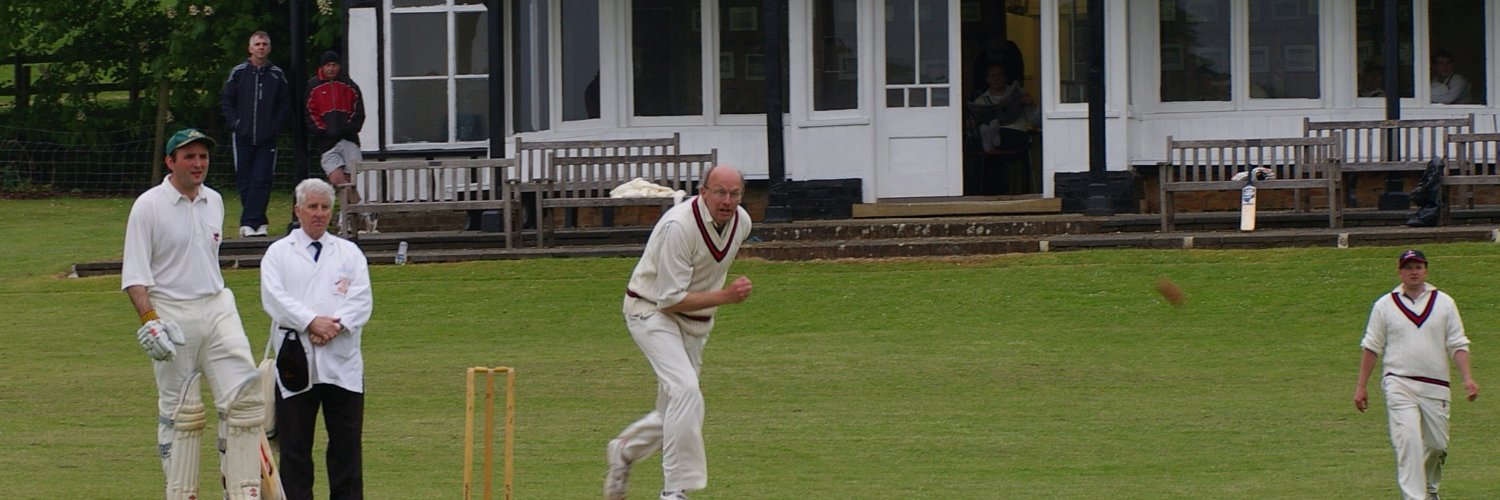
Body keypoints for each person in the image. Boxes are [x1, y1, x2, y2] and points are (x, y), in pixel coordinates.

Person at [122, 128, 270, 499]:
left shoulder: (215, 201)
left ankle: (241, 492)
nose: (198, 163)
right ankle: (181, 493)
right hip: (172, 314)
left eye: (203, 156)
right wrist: (150, 321)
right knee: (182, 415)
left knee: (245, 403)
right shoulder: (148, 206)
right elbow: (135, 276)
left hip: (218, 306)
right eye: (189, 157)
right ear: (170, 162)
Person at [604, 166, 755, 500]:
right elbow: (668, 299)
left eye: (734, 194)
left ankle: (625, 450)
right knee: (687, 391)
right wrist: (726, 297)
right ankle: (675, 491)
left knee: (674, 410)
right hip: (650, 311)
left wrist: (715, 299)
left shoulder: (742, 223)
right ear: (703, 192)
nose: (727, 201)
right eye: (719, 192)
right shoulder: (678, 226)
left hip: (695, 323)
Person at [261, 178, 374, 500]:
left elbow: (362, 300)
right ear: (298, 210)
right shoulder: (278, 253)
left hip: (342, 363)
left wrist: (333, 327)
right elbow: (274, 298)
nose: (319, 214)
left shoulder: (349, 253)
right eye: (312, 207)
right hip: (296, 363)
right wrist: (311, 321)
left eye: (325, 207)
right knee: (295, 450)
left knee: (347, 448)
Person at [1353, 249, 1479, 500]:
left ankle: (1429, 489)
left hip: (1437, 385)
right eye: (1408, 267)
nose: (1414, 272)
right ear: (1400, 272)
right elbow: (1372, 345)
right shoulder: (1385, 305)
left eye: (1418, 267)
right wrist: (1361, 386)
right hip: (1399, 382)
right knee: (1408, 441)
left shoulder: (1444, 302)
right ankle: (1414, 497)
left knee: (1437, 445)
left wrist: (1468, 378)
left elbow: (1457, 343)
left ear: (1426, 270)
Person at [221, 30, 291, 238]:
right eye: (257, 44)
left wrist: (274, 126)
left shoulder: (277, 74)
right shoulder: (239, 72)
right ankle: (254, 221)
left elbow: (284, 104)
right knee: (245, 179)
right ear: (250, 48)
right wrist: (236, 123)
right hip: (242, 136)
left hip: (267, 137)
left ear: (269, 48)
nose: (261, 47)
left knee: (262, 178)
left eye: (264, 44)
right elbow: (226, 100)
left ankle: (252, 221)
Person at [305, 50, 373, 234]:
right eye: (328, 65)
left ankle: (346, 221)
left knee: (349, 182)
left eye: (334, 65)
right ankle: (365, 215)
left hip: (349, 139)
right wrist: (323, 131)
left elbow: (359, 111)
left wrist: (347, 128)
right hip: (327, 144)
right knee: (338, 180)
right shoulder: (313, 86)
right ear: (322, 66)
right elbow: (310, 114)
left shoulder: (349, 85)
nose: (331, 68)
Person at [969, 63, 1037, 153]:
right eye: (993, 76)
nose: (996, 79)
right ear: (987, 79)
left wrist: (1031, 104)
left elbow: (1036, 122)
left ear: (1005, 77)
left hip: (1017, 135)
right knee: (981, 133)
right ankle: (992, 141)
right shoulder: (980, 101)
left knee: (1003, 134)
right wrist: (973, 125)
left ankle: (991, 144)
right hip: (991, 135)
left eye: (1000, 75)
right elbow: (973, 131)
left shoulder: (1020, 94)